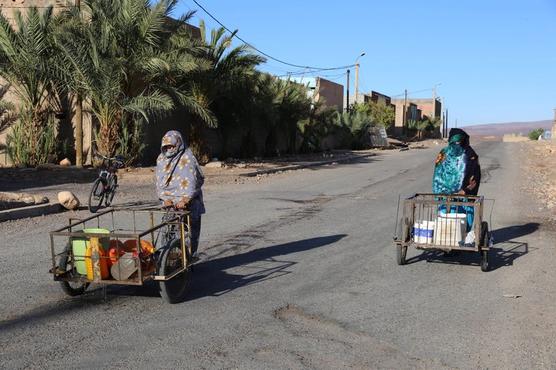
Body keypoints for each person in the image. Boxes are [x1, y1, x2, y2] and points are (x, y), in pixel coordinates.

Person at [156, 130, 205, 259]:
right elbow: (159, 182)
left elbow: (193, 180)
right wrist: (164, 199)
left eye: (171, 146)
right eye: (166, 147)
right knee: (167, 230)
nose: (169, 149)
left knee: (190, 231)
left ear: (178, 143)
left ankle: (189, 255)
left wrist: (186, 199)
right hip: (169, 201)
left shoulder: (187, 157)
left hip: (189, 200)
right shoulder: (161, 159)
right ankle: (167, 257)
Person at [433, 128, 481, 234]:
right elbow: (437, 174)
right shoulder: (444, 153)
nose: (456, 145)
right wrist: (439, 191)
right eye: (454, 143)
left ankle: (462, 238)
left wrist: (466, 190)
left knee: (464, 223)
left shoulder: (470, 155)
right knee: (445, 222)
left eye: (459, 143)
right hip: (446, 195)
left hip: (464, 196)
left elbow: (475, 175)